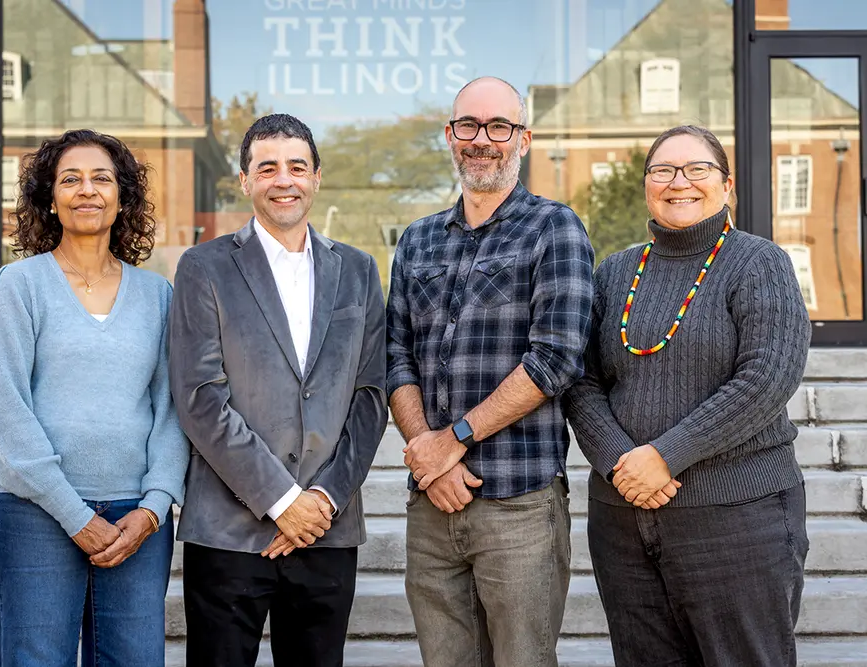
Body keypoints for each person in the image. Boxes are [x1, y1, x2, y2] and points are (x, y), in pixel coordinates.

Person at [565, 124, 812, 666]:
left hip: (737, 520)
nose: (680, 182)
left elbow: (767, 377)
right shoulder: (614, 273)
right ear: (647, 185)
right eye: (663, 170)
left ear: (728, 187)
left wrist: (665, 456)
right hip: (623, 523)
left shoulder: (759, 262)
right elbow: (581, 381)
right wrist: (620, 464)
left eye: (698, 169)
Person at [386, 77, 595, 667]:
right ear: (450, 137)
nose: (483, 140)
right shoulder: (417, 240)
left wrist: (451, 441)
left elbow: (555, 358)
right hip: (431, 506)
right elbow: (394, 356)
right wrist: (427, 454)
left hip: (518, 501)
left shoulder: (555, 229)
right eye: (468, 126)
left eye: (498, 126)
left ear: (523, 139)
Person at [169, 113, 388, 667]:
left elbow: (371, 397)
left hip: (327, 528)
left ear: (317, 177)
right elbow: (200, 398)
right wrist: (282, 500)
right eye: (267, 167)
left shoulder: (359, 271)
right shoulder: (203, 268)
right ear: (245, 181)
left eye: (297, 166)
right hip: (229, 533)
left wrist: (321, 500)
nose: (283, 179)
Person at [0, 129, 189, 667]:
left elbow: (172, 410)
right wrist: (74, 515)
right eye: (70, 179)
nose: (87, 190)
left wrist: (154, 507)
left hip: (134, 520)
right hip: (33, 514)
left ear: (123, 197)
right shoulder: (17, 286)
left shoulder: (157, 294)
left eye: (102, 178)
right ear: (49, 198)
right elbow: (6, 411)